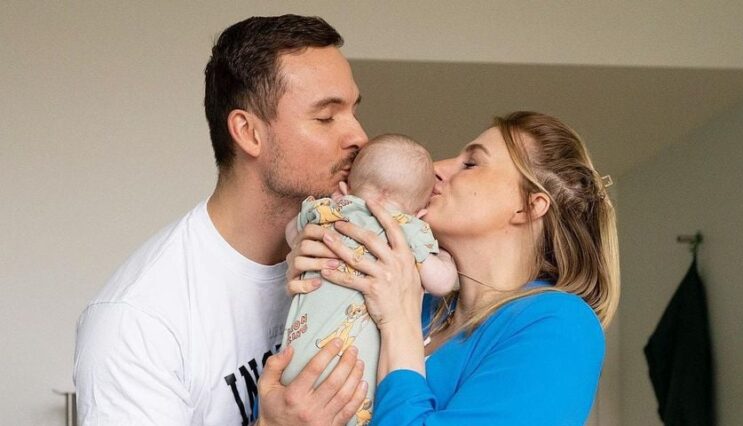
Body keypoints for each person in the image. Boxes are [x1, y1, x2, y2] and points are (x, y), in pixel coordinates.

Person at [73, 15, 370, 425]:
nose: (359, 136)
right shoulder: (137, 319)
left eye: (354, 111)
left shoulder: (353, 258)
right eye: (326, 117)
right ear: (248, 132)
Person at [270, 111, 620, 424]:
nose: (436, 167)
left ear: (527, 207)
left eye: (471, 164)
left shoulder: (560, 325)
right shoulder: (418, 301)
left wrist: (397, 322)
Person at [280, 134, 459, 425]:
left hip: (292, 365)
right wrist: (445, 258)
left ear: (344, 188)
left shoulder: (328, 210)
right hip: (352, 386)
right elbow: (442, 282)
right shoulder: (407, 228)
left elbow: (292, 235)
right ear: (420, 213)